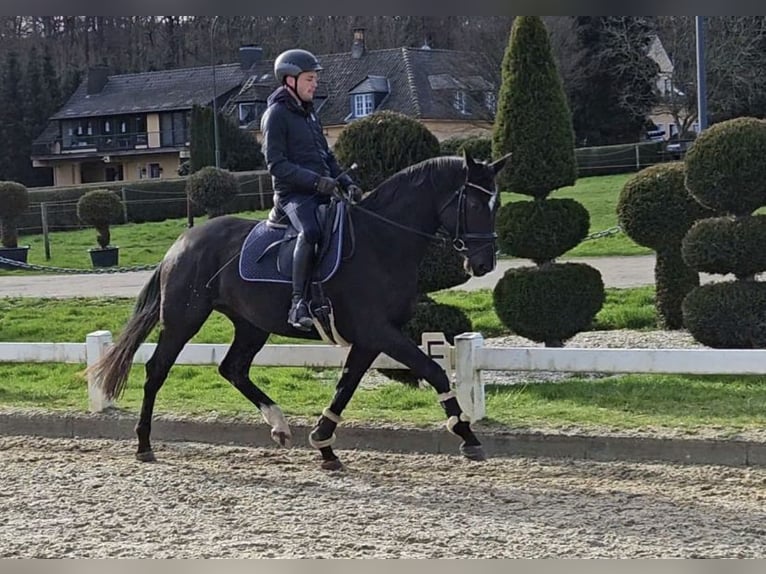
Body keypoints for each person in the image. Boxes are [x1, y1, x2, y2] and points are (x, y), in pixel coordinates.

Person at [260, 48, 363, 331]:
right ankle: (297, 304)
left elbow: (326, 157)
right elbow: (276, 165)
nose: (314, 84)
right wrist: (316, 182)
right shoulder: (276, 115)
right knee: (312, 232)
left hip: (321, 191)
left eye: (315, 78)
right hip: (292, 196)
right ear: (289, 80)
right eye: (309, 78)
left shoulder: (310, 115)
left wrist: (347, 182)